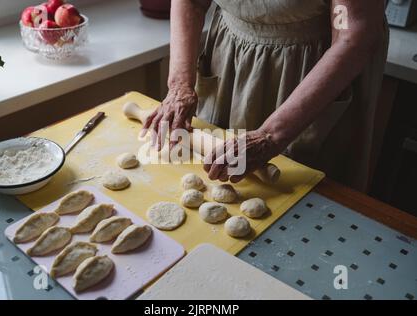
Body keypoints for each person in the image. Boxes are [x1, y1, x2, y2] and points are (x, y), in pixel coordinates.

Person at [143, 0, 389, 191]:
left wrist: (271, 135)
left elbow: (351, 35)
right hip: (229, 57)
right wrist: (179, 85)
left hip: (312, 71)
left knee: (298, 191)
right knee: (220, 172)